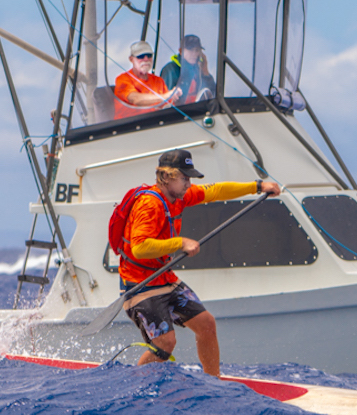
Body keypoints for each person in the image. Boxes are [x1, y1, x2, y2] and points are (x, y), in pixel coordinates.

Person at [118, 149, 281, 376]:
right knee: (166, 344)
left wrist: (257, 187)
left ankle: (214, 381)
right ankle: (133, 383)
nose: (189, 183)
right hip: (140, 286)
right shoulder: (149, 205)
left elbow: (216, 191)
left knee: (206, 324)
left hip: (165, 278)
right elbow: (139, 247)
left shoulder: (179, 196)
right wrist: (180, 242)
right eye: (184, 178)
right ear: (166, 177)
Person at [114, 40, 181, 119]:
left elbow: (168, 105)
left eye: (149, 55)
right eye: (141, 56)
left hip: (155, 123)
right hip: (130, 126)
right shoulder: (122, 79)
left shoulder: (158, 81)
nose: (146, 59)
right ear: (131, 59)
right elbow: (136, 99)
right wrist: (166, 96)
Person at [159, 34, 216, 105]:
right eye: (191, 50)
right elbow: (165, 101)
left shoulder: (199, 70)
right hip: (178, 114)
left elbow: (212, 94)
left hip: (199, 113)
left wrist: (205, 71)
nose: (194, 54)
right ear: (180, 51)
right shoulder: (170, 70)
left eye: (197, 50)